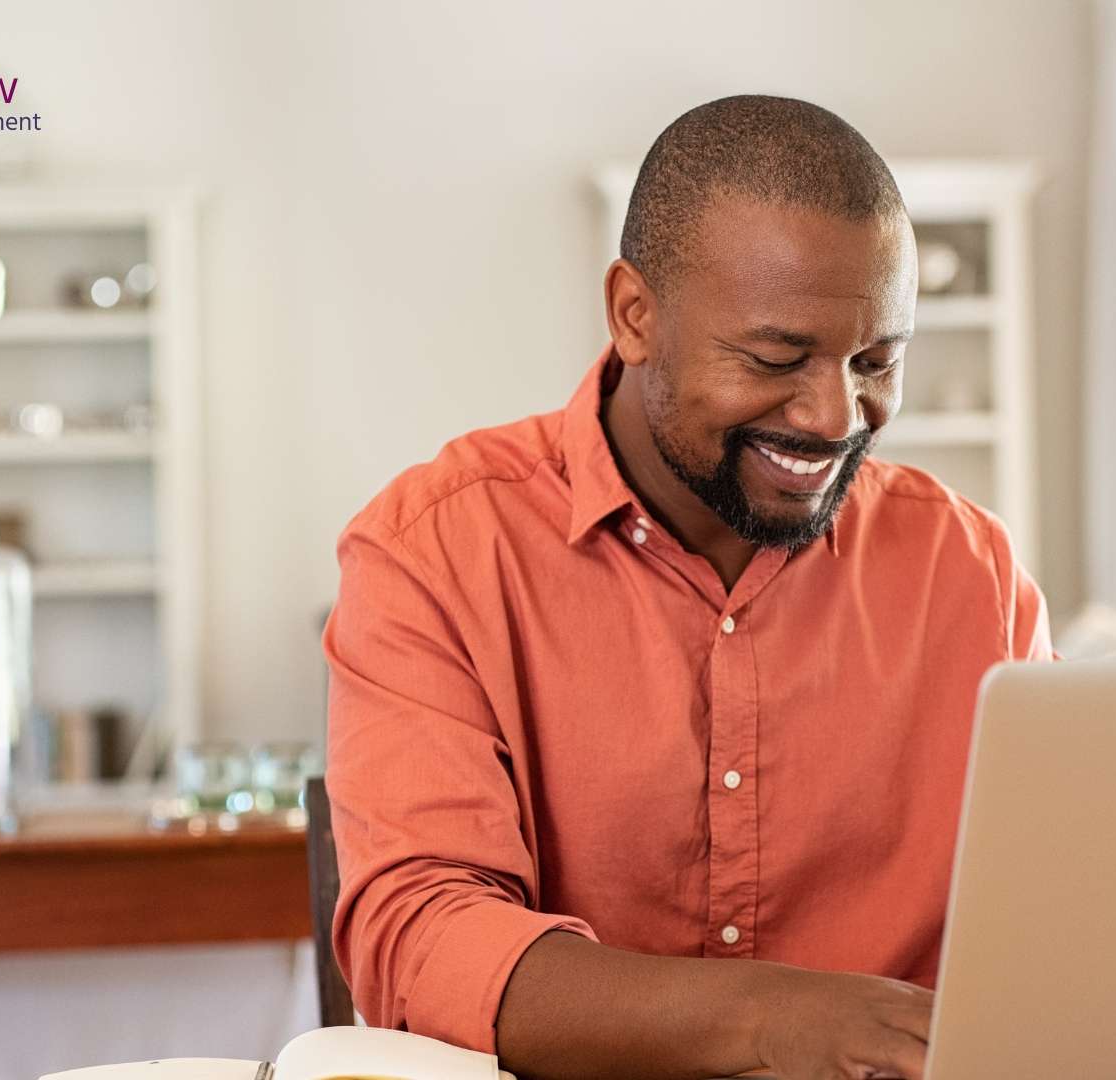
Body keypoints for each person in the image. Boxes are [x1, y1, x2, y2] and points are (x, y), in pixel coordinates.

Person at [323, 94, 1053, 1080]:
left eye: (876, 360)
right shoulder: (434, 550)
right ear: (635, 315)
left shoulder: (970, 573)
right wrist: (775, 1020)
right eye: (777, 358)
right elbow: (420, 940)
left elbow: (1058, 914)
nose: (837, 416)